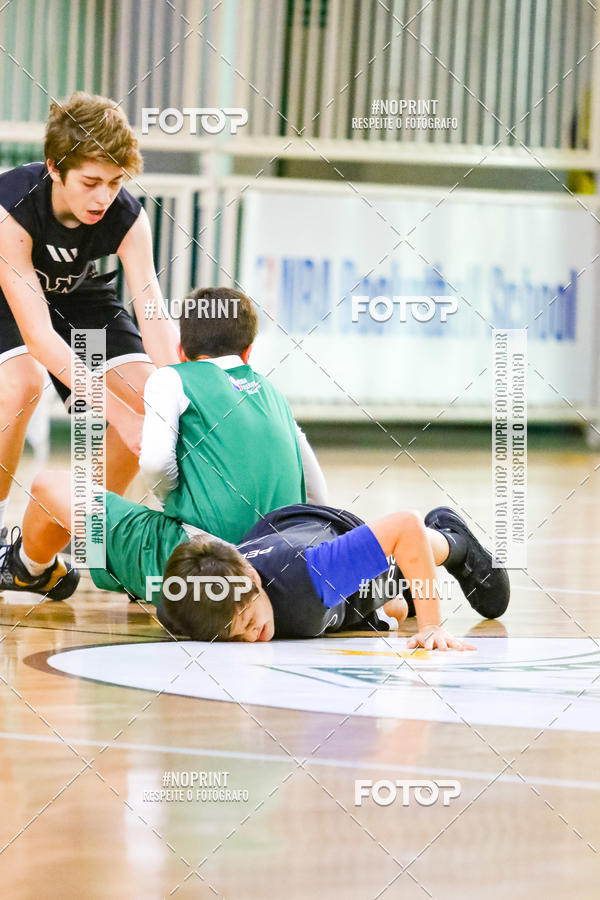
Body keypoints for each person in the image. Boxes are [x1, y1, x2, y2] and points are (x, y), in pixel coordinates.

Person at [0, 462, 509, 649]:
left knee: (403, 570)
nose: (253, 632)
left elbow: (401, 525)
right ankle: (391, 609)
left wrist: (433, 626)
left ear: (250, 579)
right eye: (237, 633)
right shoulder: (188, 601)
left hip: (319, 541)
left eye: (247, 616)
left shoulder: (314, 577)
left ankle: (455, 540)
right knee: (385, 610)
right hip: (291, 567)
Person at [0, 90, 180, 528]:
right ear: (55, 169)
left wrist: (183, 389)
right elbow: (40, 339)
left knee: (146, 396)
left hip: (78, 294)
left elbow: (152, 310)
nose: (104, 197)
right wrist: (114, 413)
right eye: (91, 182)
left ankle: (84, 529)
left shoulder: (128, 218)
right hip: (7, 295)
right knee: (20, 388)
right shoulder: (12, 206)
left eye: (115, 182)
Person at [138, 286, 327, 543]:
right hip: (280, 550)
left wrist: (171, 500)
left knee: (91, 503)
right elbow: (316, 492)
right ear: (248, 352)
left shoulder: (169, 378)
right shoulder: (274, 394)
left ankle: (78, 567)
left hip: (208, 552)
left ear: (181, 350)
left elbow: (155, 463)